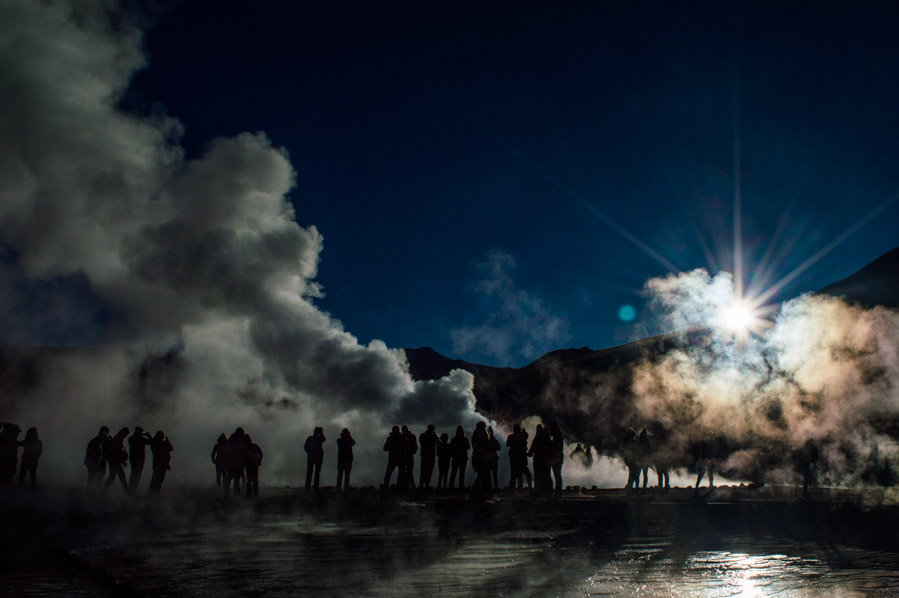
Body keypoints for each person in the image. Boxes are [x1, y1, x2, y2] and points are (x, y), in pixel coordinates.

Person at [103, 427, 132, 495]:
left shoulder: (118, 438)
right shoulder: (118, 439)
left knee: (113, 476)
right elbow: (116, 452)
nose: (126, 436)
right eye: (126, 434)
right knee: (120, 476)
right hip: (114, 461)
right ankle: (127, 491)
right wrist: (122, 461)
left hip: (113, 460)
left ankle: (104, 491)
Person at [506, 423, 532, 491]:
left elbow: (507, 444)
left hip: (516, 457)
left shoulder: (513, 436)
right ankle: (523, 488)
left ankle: (515, 488)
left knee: (515, 474)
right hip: (518, 457)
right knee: (520, 473)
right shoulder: (520, 436)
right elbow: (507, 444)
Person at [529, 424, 552, 496]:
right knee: (546, 476)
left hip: (538, 460)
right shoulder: (547, 439)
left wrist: (528, 453)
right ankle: (547, 491)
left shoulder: (536, 439)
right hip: (546, 460)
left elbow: (531, 451)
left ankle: (538, 491)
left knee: (538, 476)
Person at [470, 422, 490, 498]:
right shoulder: (480, 435)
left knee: (482, 475)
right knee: (482, 475)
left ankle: (478, 491)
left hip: (479, 456)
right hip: (480, 457)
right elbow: (479, 446)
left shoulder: (476, 434)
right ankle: (476, 491)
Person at [383, 426, 406, 490]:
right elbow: (385, 448)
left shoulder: (391, 438)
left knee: (389, 473)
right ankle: (399, 486)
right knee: (400, 473)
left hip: (394, 458)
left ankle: (386, 486)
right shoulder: (401, 438)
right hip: (398, 458)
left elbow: (385, 448)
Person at [225, 427, 247, 494]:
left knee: (235, 477)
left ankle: (233, 491)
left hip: (237, 462)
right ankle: (230, 491)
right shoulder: (234, 440)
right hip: (233, 462)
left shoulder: (235, 440)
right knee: (233, 477)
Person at [304, 426, 325, 491]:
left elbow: (306, 447)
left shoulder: (318, 439)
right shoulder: (311, 438)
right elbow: (306, 447)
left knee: (315, 472)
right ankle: (309, 486)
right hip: (314, 457)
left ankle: (313, 486)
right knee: (311, 472)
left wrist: (321, 432)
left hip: (316, 458)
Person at [448, 425, 470, 490]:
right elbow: (468, 447)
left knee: (453, 472)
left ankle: (450, 486)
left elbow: (451, 448)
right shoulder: (465, 439)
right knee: (462, 473)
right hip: (463, 458)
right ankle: (461, 486)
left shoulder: (454, 439)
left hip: (455, 457)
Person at [418, 424, 439, 489]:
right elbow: (439, 443)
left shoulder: (422, 435)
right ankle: (426, 485)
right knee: (429, 471)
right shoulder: (433, 436)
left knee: (423, 470)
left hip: (425, 455)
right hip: (430, 455)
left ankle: (422, 484)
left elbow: (421, 443)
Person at [549, 421, 564, 496]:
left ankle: (558, 491)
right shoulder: (558, 435)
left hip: (556, 456)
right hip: (558, 456)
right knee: (557, 474)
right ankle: (558, 490)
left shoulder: (557, 436)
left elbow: (555, 447)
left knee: (557, 474)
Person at [621, 428, 639, 493]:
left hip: (628, 458)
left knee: (632, 473)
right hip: (631, 458)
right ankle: (629, 487)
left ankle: (629, 486)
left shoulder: (624, 441)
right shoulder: (630, 441)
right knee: (633, 473)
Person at [401, 425, 418, 490]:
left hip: (408, 456)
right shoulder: (402, 436)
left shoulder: (411, 436)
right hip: (404, 456)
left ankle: (410, 485)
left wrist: (412, 451)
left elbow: (415, 447)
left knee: (409, 472)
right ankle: (407, 485)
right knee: (405, 471)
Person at [487, 426, 501, 492]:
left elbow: (499, 448)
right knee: (491, 474)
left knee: (493, 474)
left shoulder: (493, 440)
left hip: (491, 459)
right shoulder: (487, 440)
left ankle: (495, 488)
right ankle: (492, 488)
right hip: (489, 459)